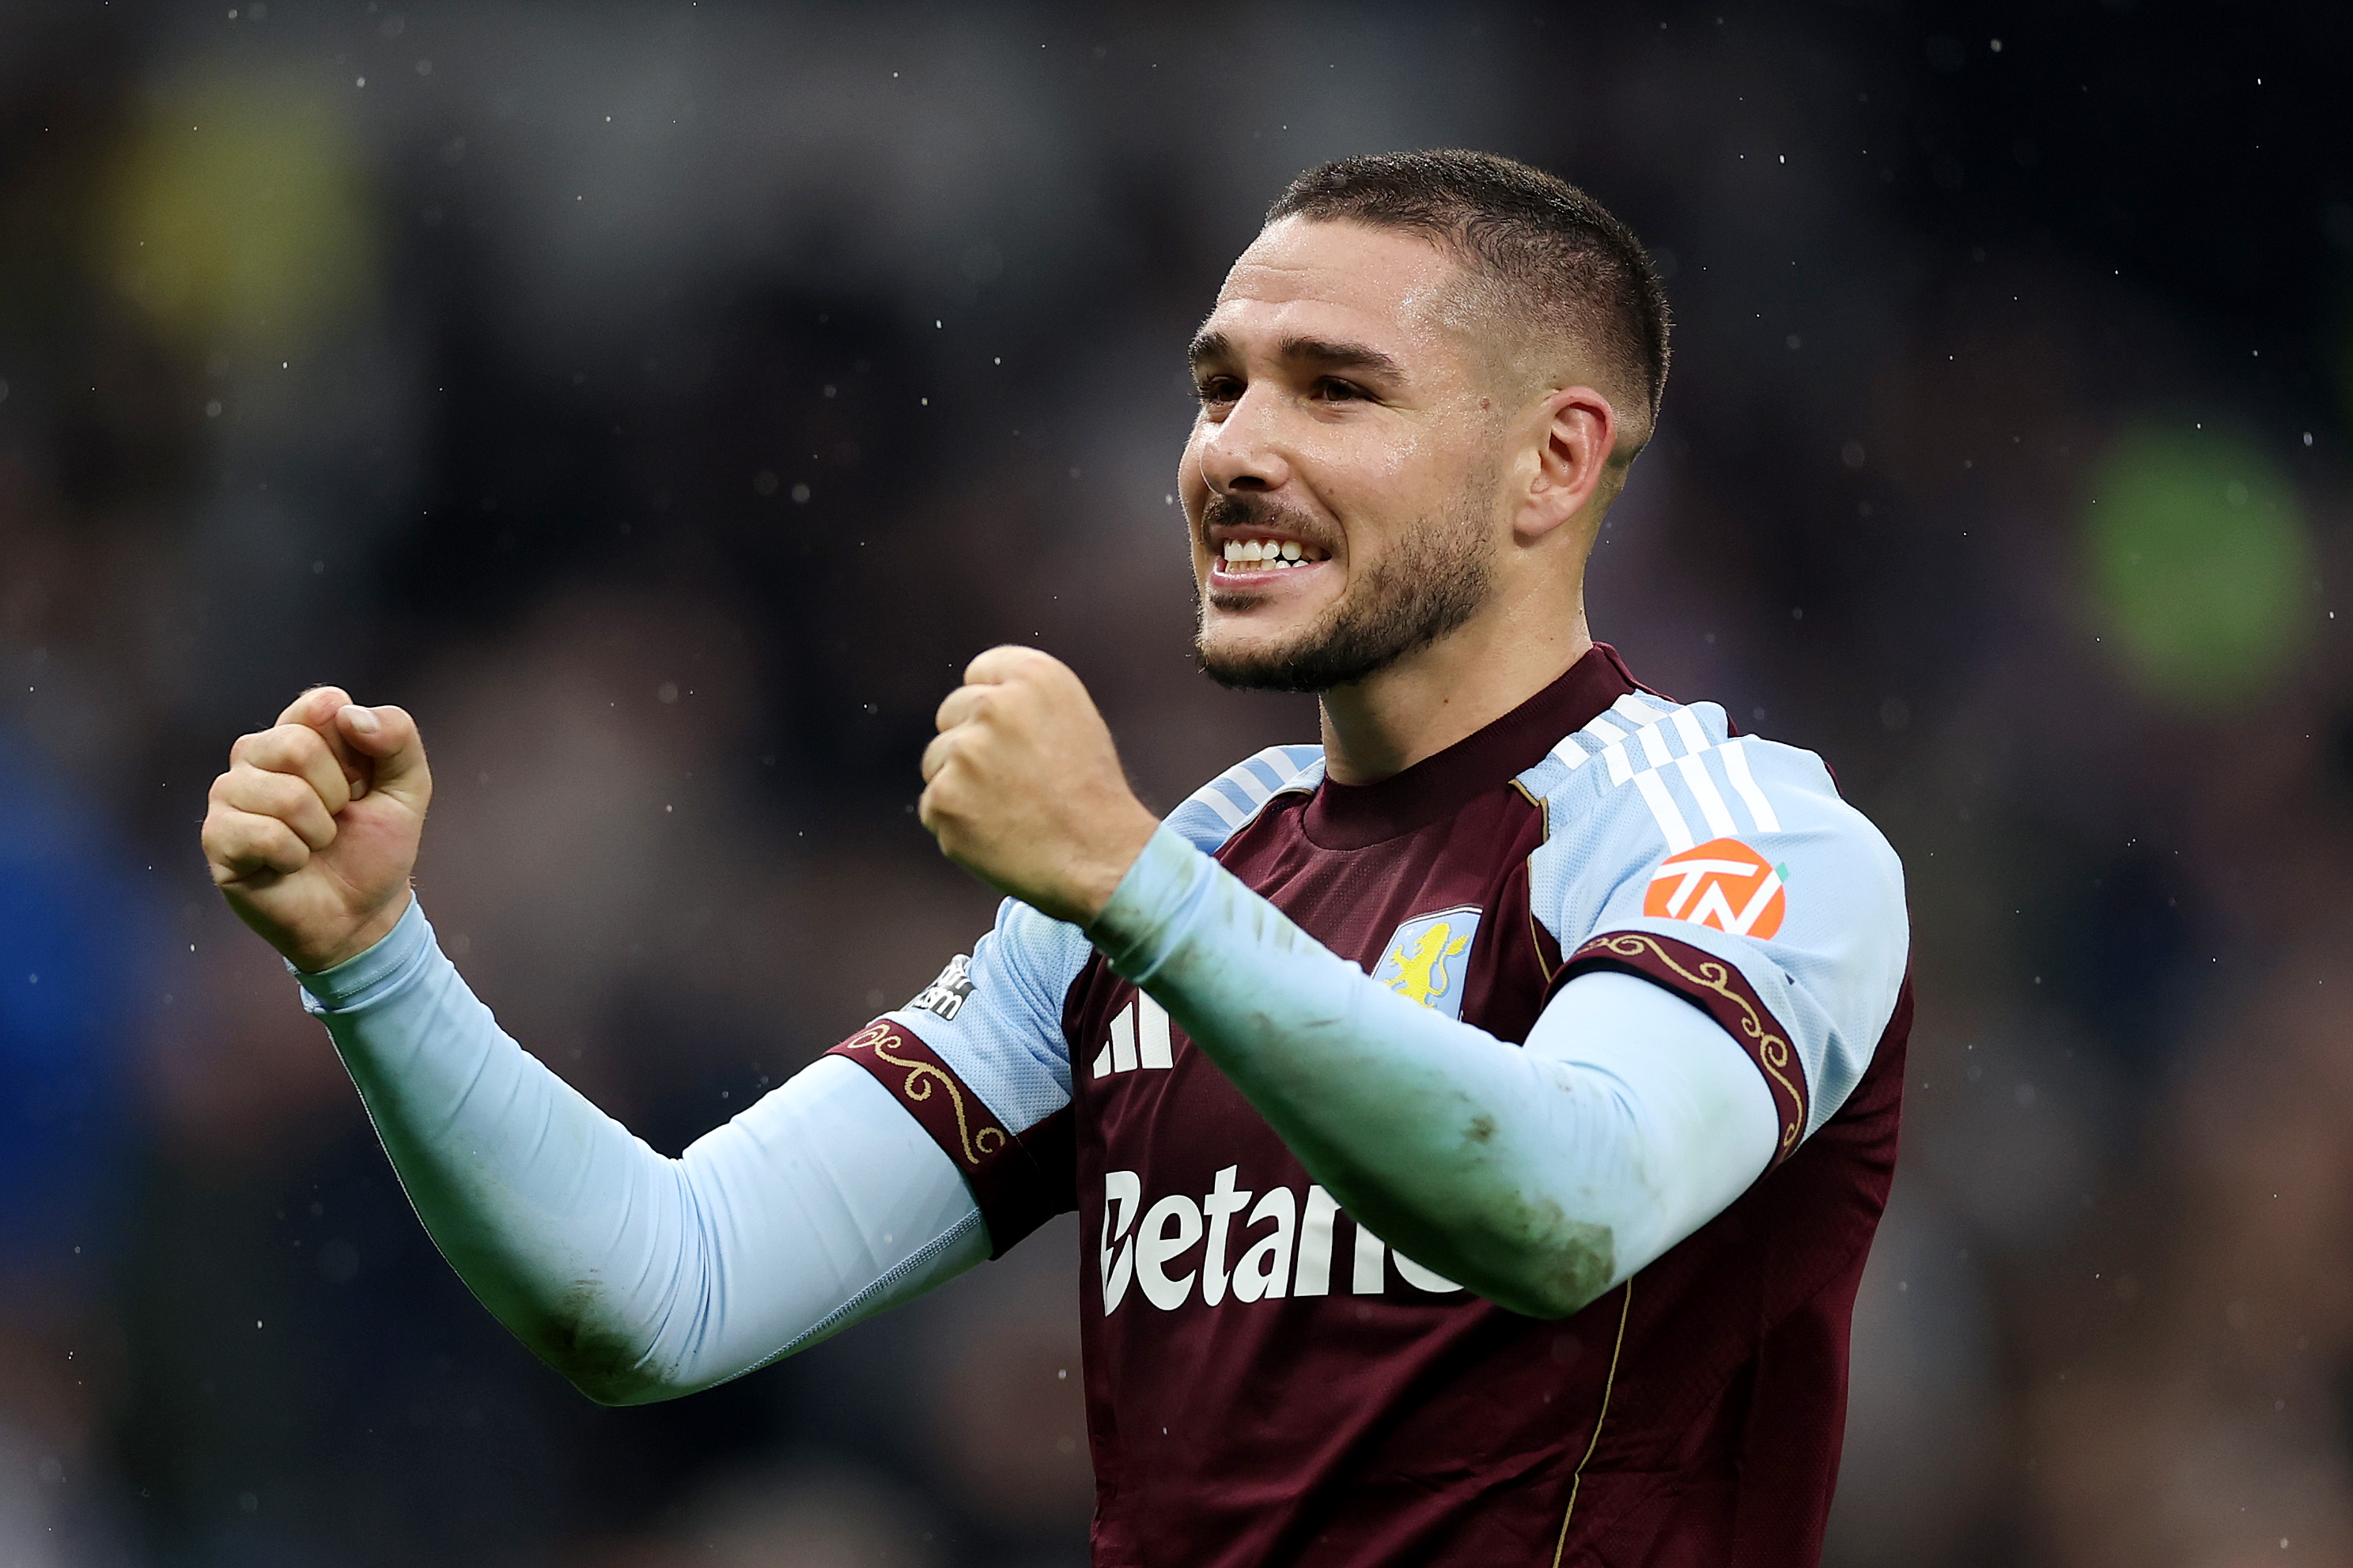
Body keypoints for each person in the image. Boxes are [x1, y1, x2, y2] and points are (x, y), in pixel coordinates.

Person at [200, 150, 1909, 1566]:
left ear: (1556, 459)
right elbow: (662, 1287)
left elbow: (1565, 1207)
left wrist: (1135, 887)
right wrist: (375, 962)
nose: (1235, 450)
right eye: (1219, 387)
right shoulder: (1183, 876)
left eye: (1336, 389)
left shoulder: (1722, 831)